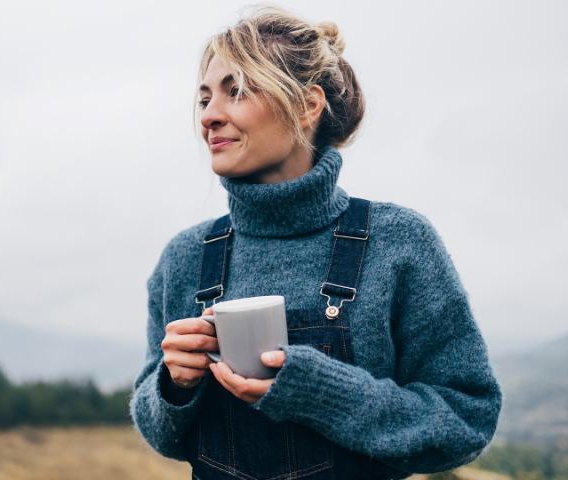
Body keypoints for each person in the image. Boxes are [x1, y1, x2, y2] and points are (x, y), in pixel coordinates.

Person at [129, 5, 502, 480]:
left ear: (307, 105)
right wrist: (174, 386)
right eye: (204, 99)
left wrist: (320, 391)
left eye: (237, 91)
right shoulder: (184, 257)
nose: (210, 117)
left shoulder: (399, 243)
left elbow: (466, 419)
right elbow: (161, 434)